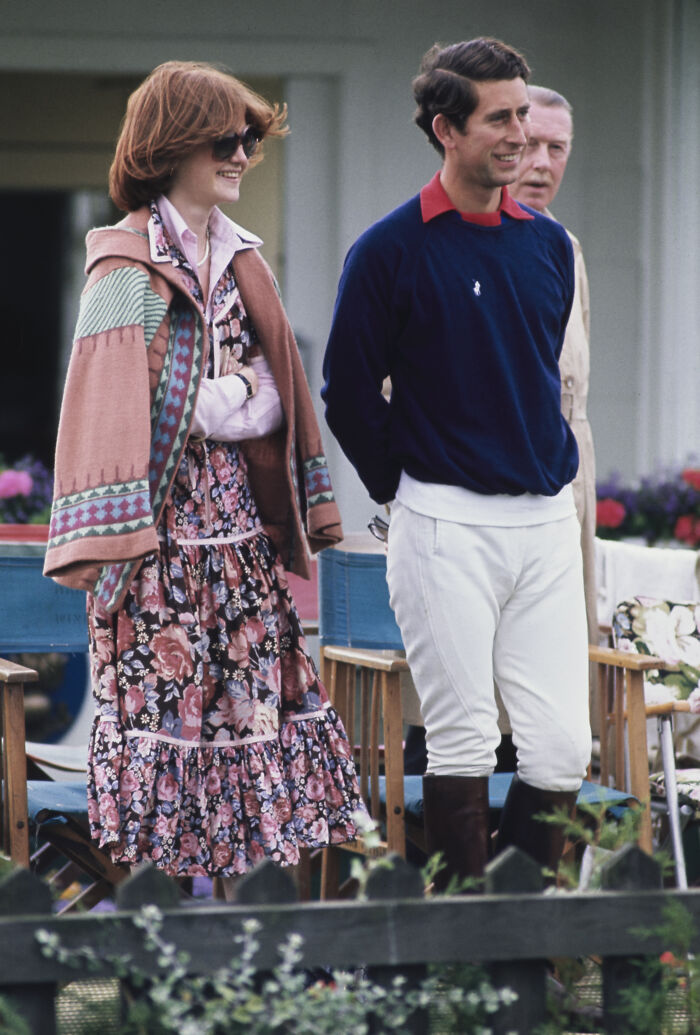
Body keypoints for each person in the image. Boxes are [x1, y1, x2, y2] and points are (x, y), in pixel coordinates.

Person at [44, 61, 364, 894]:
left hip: (238, 553)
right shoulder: (124, 268)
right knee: (165, 754)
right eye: (227, 137)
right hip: (154, 555)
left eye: (251, 138)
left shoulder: (246, 262)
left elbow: (277, 396)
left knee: (248, 744)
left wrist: (230, 402)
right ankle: (163, 964)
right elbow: (117, 409)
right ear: (171, 143)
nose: (244, 153)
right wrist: (227, 399)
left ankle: (247, 965)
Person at [322, 38, 591, 890]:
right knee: (467, 734)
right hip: (442, 521)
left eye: (526, 113)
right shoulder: (388, 250)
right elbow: (348, 391)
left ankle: (505, 945)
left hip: (545, 520)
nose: (523, 135)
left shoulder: (548, 245)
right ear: (447, 129)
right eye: (501, 118)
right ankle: (467, 971)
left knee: (559, 746)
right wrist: (404, 485)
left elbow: (540, 374)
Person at [510, 86, 598, 651]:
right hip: (486, 493)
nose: (542, 163)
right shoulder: (447, 241)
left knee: (558, 676)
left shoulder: (566, 248)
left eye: (557, 148)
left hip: (570, 480)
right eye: (530, 145)